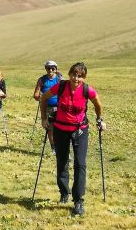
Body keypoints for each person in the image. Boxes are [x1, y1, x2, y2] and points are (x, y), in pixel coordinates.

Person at [38, 62, 104, 216]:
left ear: (84, 77)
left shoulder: (88, 90)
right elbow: (44, 98)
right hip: (60, 129)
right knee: (62, 161)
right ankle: (64, 192)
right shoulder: (61, 87)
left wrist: (100, 119)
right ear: (69, 74)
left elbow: (97, 104)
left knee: (80, 164)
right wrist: (44, 119)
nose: (76, 78)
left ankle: (78, 200)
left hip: (80, 131)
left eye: (80, 76)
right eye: (74, 74)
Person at [33, 60, 61, 149]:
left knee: (60, 128)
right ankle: (54, 147)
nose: (50, 70)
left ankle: (60, 146)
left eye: (52, 68)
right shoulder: (42, 80)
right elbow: (36, 94)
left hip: (60, 107)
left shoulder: (60, 79)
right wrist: (40, 98)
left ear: (56, 69)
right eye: (48, 68)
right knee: (50, 129)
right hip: (47, 107)